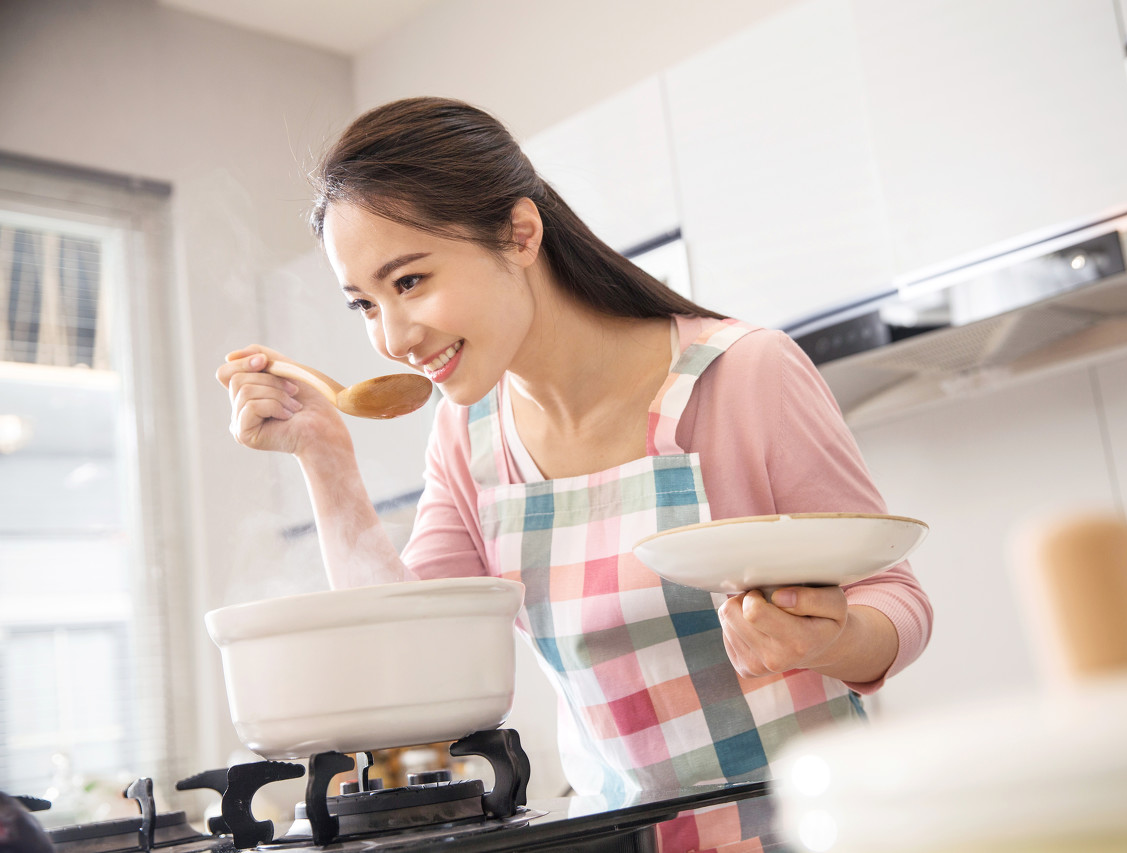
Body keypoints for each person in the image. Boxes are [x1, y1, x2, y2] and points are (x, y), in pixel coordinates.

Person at [216, 97, 932, 813]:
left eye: (409, 281)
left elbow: (894, 601)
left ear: (520, 234)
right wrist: (325, 458)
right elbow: (408, 660)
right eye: (364, 304)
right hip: (618, 831)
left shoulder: (743, 373)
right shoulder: (469, 436)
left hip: (814, 821)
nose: (393, 337)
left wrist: (825, 640)